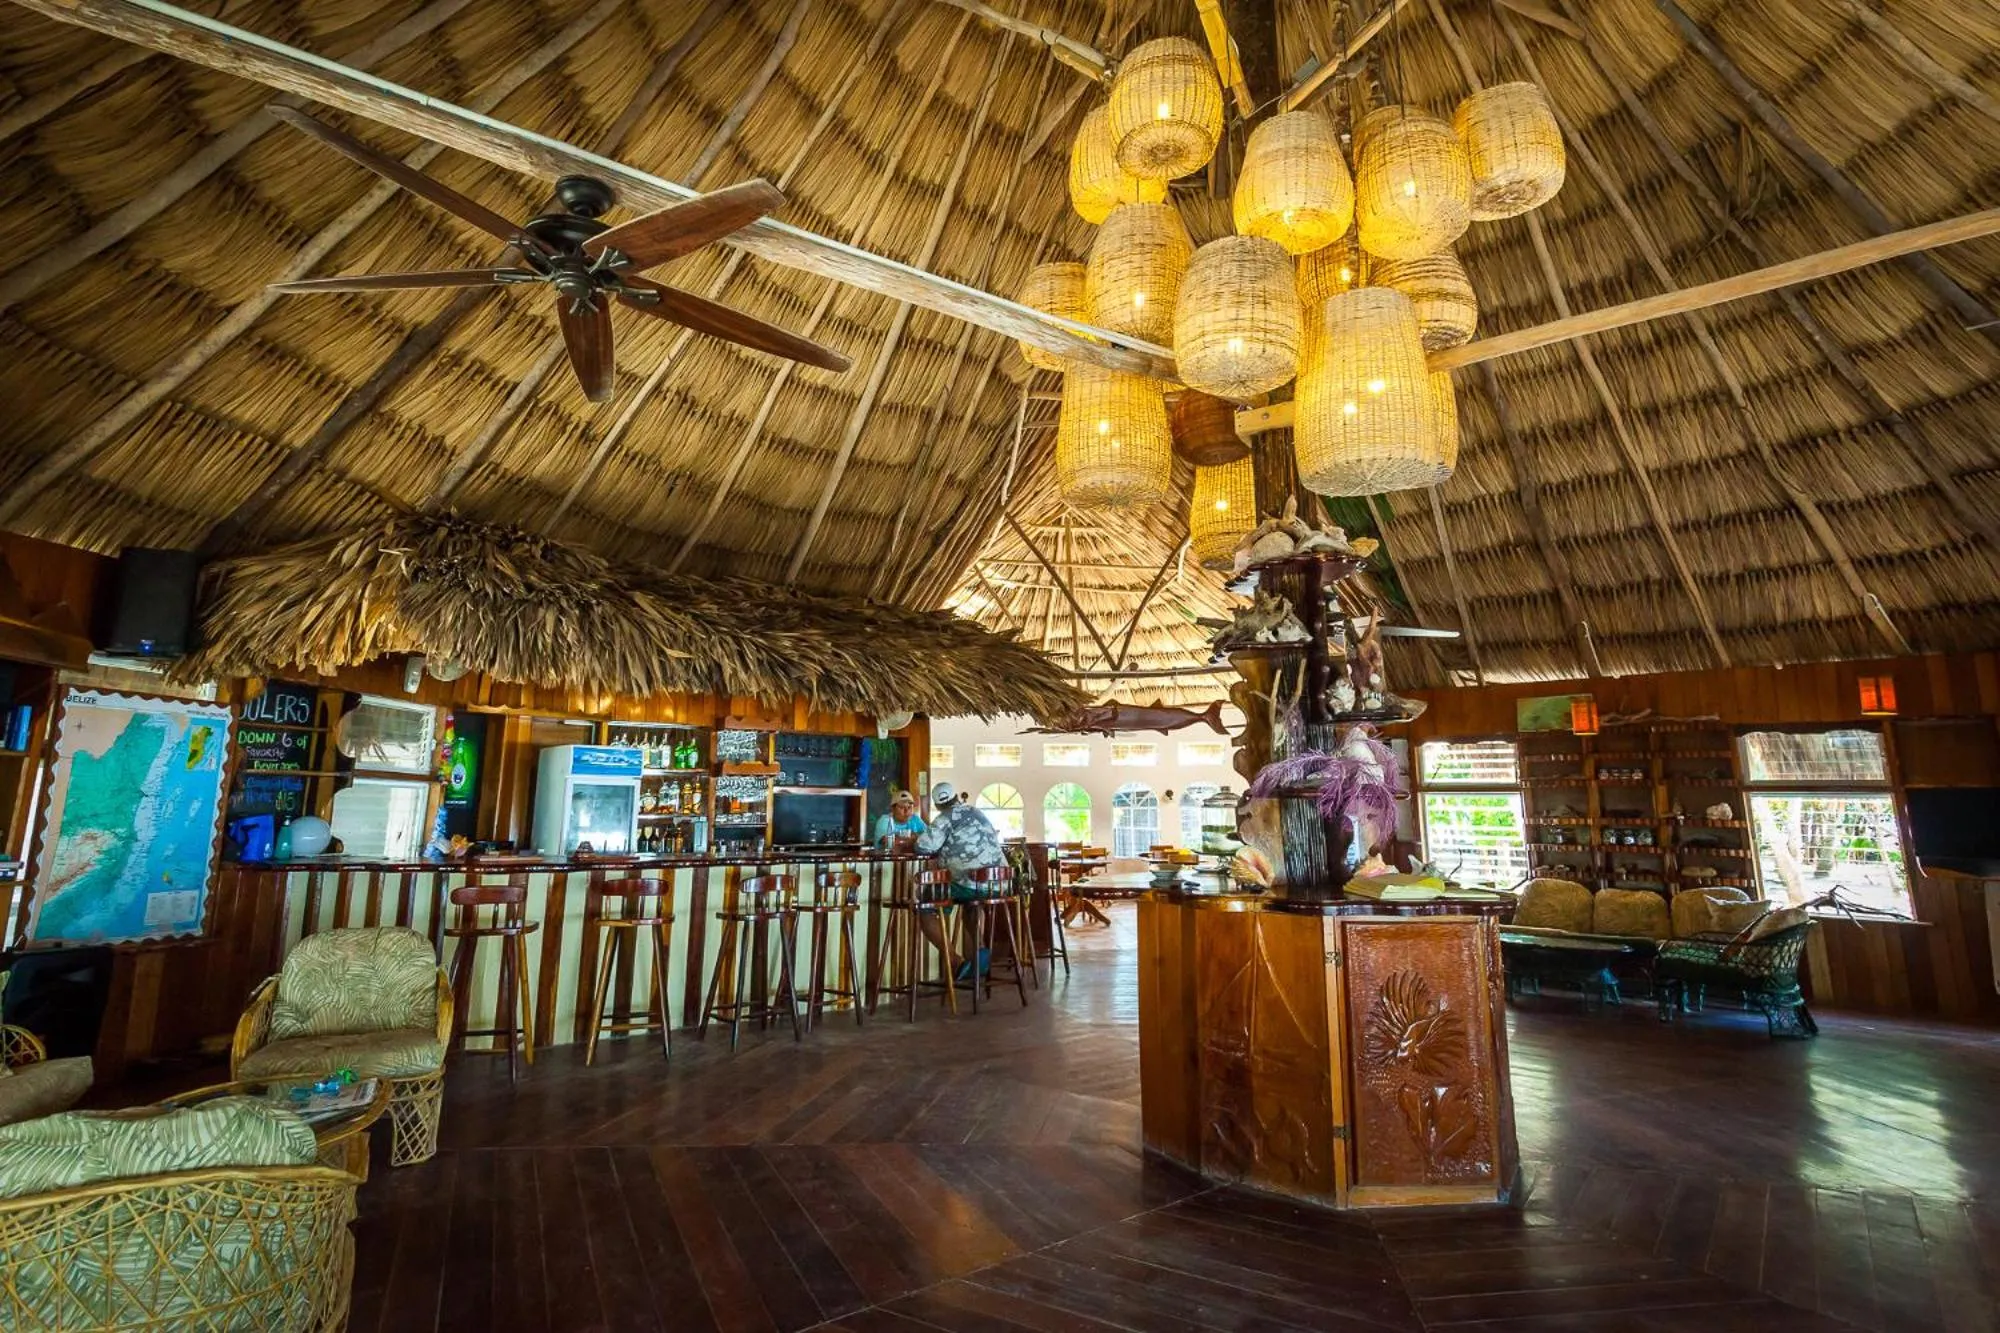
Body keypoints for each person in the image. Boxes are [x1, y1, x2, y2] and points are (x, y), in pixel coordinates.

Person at [912, 782, 1009, 977]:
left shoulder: (945, 818)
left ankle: (954, 961)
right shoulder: (977, 812)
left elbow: (922, 847)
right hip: (999, 883)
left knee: (924, 905)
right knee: (972, 904)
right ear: (956, 797)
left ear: (937, 805)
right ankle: (979, 948)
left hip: (971, 884)